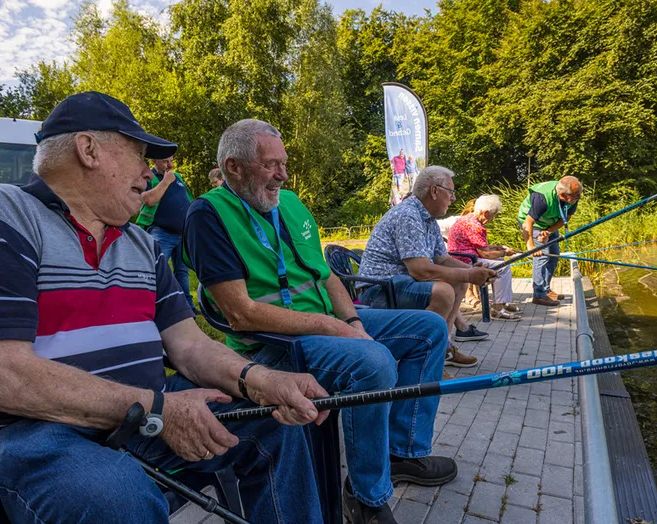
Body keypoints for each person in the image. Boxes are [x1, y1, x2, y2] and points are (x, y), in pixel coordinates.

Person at [0, 92, 330, 523]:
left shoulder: (141, 244)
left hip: (143, 417)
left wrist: (262, 381)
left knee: (276, 424)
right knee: (117, 496)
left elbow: (190, 346)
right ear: (88, 150)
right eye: (140, 154)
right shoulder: (3, 217)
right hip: (33, 433)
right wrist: (156, 410)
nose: (148, 172)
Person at [184, 119, 454, 524]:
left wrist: (351, 319)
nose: (283, 174)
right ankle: (366, 496)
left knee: (429, 331)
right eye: (270, 165)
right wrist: (335, 328)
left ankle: (403, 453)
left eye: (284, 163)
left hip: (325, 322)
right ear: (233, 167)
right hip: (273, 342)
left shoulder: (289, 203)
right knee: (374, 362)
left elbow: (326, 276)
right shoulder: (206, 213)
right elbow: (239, 313)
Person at [356, 166, 497, 376]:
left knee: (458, 282)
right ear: (434, 191)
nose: (453, 198)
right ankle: (423, 358)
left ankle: (443, 349)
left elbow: (443, 259)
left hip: (398, 285)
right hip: (378, 290)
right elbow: (420, 271)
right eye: (451, 192)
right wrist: (469, 274)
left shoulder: (427, 218)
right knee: (443, 292)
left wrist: (471, 270)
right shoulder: (408, 215)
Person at [448, 194, 521, 320]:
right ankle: (498, 309)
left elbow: (480, 246)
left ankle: (503, 302)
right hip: (464, 260)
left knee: (500, 262)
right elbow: (485, 254)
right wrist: (505, 252)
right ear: (486, 212)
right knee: (502, 266)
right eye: (493, 214)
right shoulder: (475, 226)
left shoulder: (469, 218)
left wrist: (497, 247)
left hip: (463, 256)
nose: (493, 218)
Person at [136, 154, 194, 306]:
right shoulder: (149, 177)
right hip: (162, 233)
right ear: (154, 161)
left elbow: (189, 200)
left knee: (182, 272)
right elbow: (147, 200)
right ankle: (151, 303)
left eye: (171, 161)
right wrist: (166, 181)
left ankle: (187, 305)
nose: (169, 165)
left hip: (182, 234)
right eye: (164, 161)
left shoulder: (178, 178)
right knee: (155, 268)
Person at [517, 176, 583, 306]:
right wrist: (530, 245)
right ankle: (539, 295)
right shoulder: (542, 198)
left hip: (549, 223)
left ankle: (546, 290)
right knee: (542, 255)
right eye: (576, 196)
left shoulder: (573, 197)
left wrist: (550, 231)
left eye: (579, 194)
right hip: (532, 224)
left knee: (554, 254)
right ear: (563, 195)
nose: (579, 198)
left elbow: (567, 217)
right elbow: (527, 223)